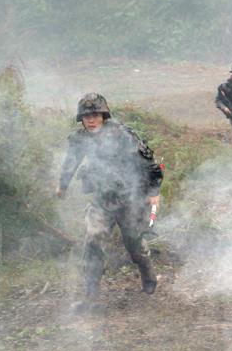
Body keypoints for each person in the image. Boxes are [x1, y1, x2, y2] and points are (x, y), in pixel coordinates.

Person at [57, 93, 163, 308]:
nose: (91, 119)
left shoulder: (122, 134)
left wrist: (154, 190)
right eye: (86, 116)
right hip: (102, 199)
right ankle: (90, 296)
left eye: (95, 114)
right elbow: (71, 162)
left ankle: (148, 275)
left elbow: (148, 161)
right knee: (94, 240)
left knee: (134, 244)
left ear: (104, 115)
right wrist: (63, 185)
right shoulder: (80, 139)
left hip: (129, 198)